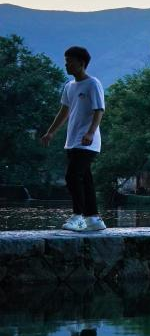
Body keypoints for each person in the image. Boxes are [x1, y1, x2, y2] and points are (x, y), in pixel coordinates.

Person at [40, 46, 106, 232]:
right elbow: (64, 111)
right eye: (65, 60)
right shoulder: (69, 86)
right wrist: (51, 132)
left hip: (88, 142)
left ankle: (78, 216)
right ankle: (93, 219)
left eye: (69, 60)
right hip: (72, 140)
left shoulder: (93, 84)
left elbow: (99, 110)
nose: (66, 64)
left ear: (81, 63)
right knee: (85, 179)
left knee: (72, 176)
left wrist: (91, 133)